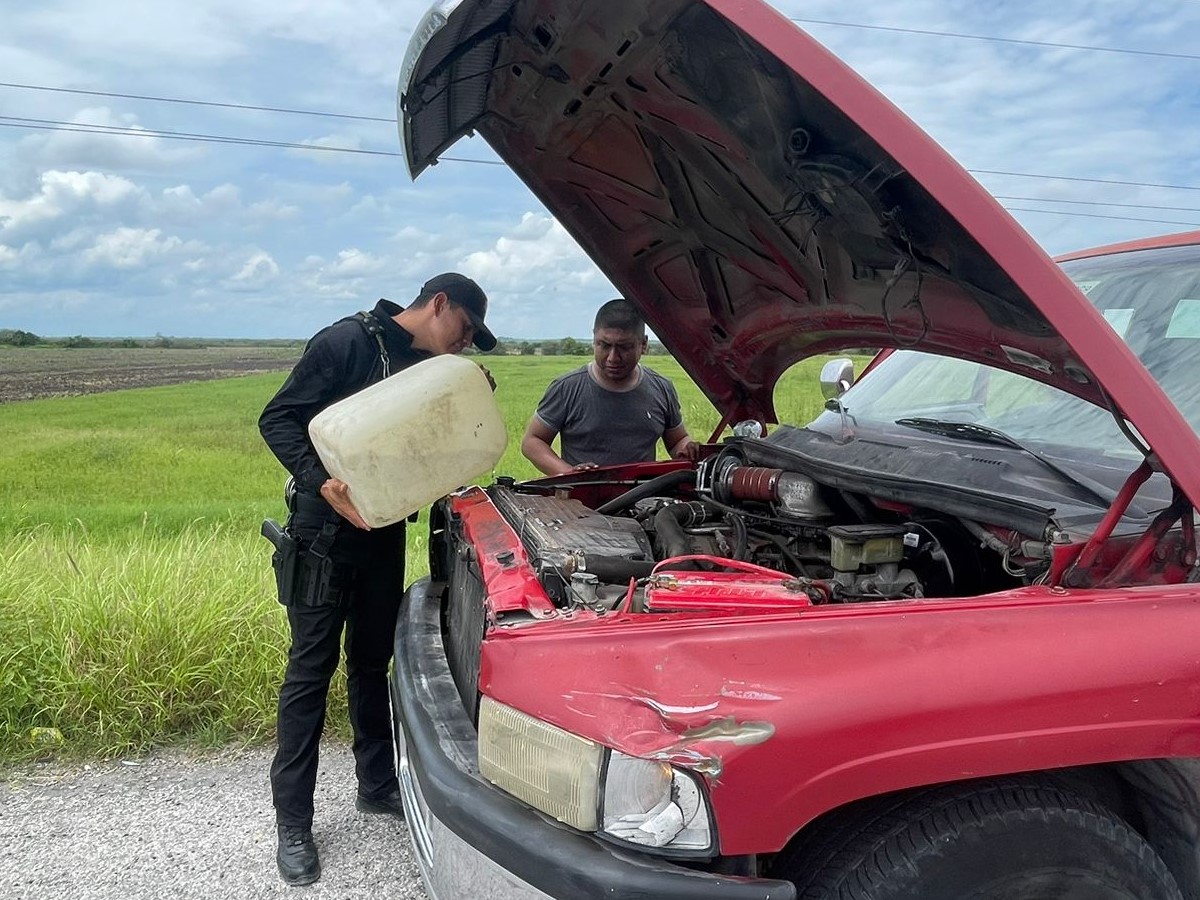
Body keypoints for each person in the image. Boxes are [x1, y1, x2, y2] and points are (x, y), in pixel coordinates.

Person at [258, 273, 495, 886]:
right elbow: (277, 418)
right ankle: (294, 825)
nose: (463, 346)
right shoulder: (345, 342)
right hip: (323, 536)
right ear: (437, 304)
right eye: (464, 331)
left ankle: (376, 784)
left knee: (370, 663)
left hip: (382, 532)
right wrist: (322, 483)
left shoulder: (427, 370)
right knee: (311, 670)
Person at [521, 298, 696, 475]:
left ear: (643, 345)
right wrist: (568, 473)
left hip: (643, 499)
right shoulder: (567, 388)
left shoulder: (662, 388)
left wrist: (687, 449)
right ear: (594, 339)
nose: (613, 357)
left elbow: (677, 441)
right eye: (604, 345)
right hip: (578, 500)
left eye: (624, 347)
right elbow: (533, 442)